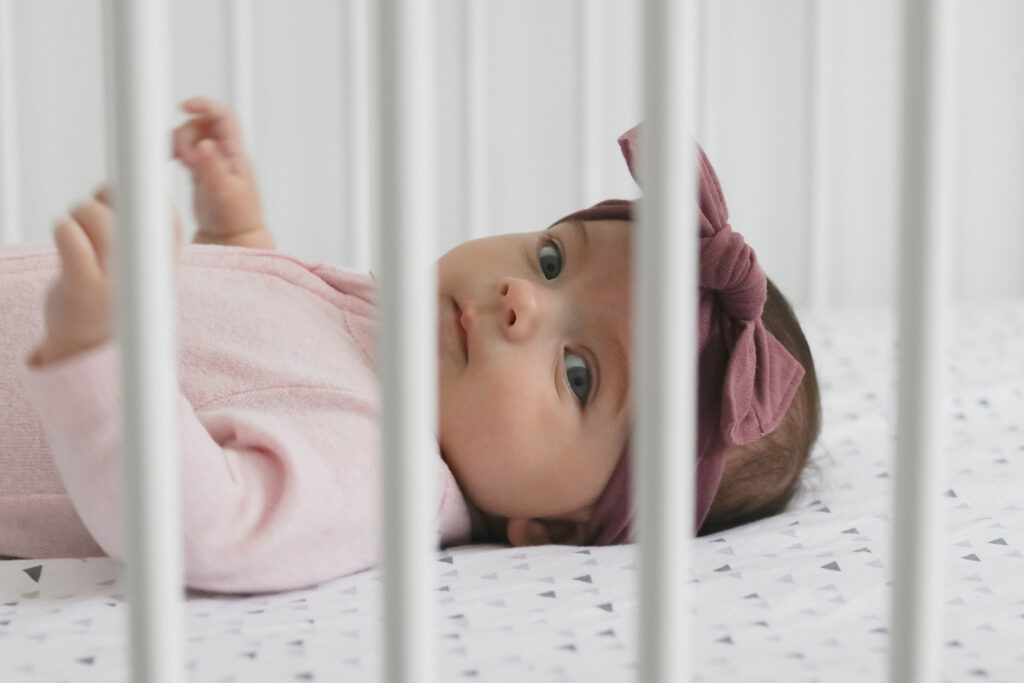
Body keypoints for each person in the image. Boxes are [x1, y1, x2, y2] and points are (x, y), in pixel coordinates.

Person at [0, 97, 819, 591]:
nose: (521, 299)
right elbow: (252, 359)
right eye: (553, 258)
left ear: (555, 529)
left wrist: (100, 354)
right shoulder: (390, 326)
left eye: (577, 373)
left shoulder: (382, 475)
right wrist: (238, 233)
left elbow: (203, 520)